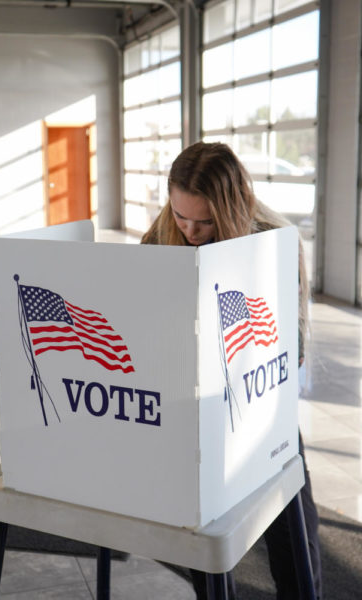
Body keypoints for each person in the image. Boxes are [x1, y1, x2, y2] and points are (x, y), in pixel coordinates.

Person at [142, 141, 322, 600]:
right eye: (182, 216)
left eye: (204, 221)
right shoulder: (161, 235)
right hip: (195, 407)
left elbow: (295, 346)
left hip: (260, 405)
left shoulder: (271, 238)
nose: (191, 230)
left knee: (290, 530)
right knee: (203, 534)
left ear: (232, 206)